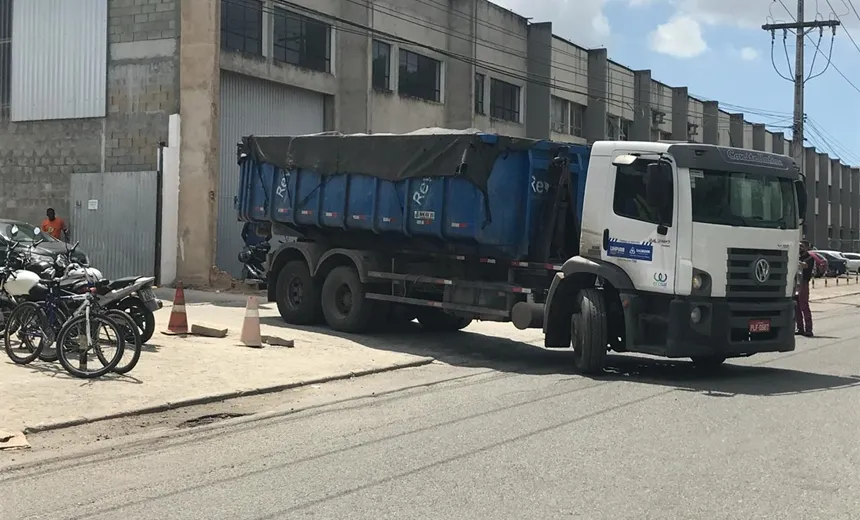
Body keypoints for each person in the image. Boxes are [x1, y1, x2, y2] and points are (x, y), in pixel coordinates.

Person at [796, 240, 815, 337]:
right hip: (795, 283)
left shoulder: (809, 258)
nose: (800, 248)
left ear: (807, 248)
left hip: (803, 283)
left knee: (804, 305)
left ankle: (809, 329)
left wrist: (795, 262)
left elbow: (804, 265)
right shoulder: (797, 257)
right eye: (799, 246)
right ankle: (800, 328)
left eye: (802, 246)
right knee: (796, 307)